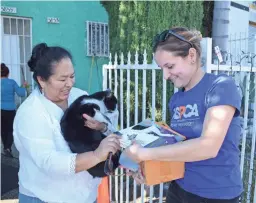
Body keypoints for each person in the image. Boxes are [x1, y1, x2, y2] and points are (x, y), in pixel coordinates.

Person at [124, 27, 243, 203]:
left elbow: (208, 147)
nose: (165, 76)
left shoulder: (220, 87)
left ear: (192, 56)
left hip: (217, 195)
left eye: (170, 66)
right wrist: (147, 171)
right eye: (161, 68)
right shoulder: (176, 99)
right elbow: (176, 149)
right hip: (179, 189)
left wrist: (145, 154)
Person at [13, 43, 121, 203]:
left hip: (84, 196)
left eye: (72, 76)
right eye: (62, 79)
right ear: (41, 80)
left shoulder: (79, 96)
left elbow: (108, 124)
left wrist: (102, 128)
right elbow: (50, 163)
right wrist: (96, 155)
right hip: (44, 198)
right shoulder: (31, 113)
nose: (69, 84)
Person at [1, 63, 26, 157]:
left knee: (2, 129)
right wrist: (24, 86)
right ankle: (8, 147)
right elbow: (21, 93)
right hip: (10, 110)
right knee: (11, 129)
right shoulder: (11, 82)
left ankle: (5, 147)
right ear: (8, 74)